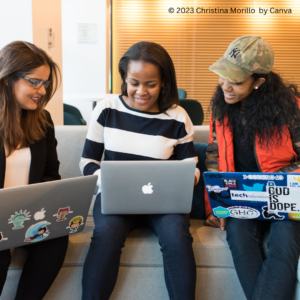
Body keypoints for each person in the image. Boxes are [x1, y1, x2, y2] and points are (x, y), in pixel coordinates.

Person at [80, 41, 200, 300]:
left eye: (151, 84)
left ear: (164, 82)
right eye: (134, 82)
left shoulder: (177, 117)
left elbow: (190, 164)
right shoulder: (107, 109)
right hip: (116, 199)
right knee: (106, 235)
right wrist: (107, 180)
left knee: (177, 236)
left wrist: (188, 177)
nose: (141, 92)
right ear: (124, 79)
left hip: (164, 202)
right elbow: (87, 161)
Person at [204, 35, 300, 300]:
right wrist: (216, 205)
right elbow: (214, 157)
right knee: (237, 234)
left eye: (235, 81)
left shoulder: (291, 110)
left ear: (259, 82)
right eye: (223, 76)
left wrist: (279, 181)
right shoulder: (220, 108)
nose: (225, 85)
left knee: (286, 239)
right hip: (240, 197)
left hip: (285, 198)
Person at [0, 41, 69, 299]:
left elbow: (51, 174)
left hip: (28, 215)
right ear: (7, 78)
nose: (42, 90)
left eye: (46, 83)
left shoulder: (43, 120)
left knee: (55, 241)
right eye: (34, 82)